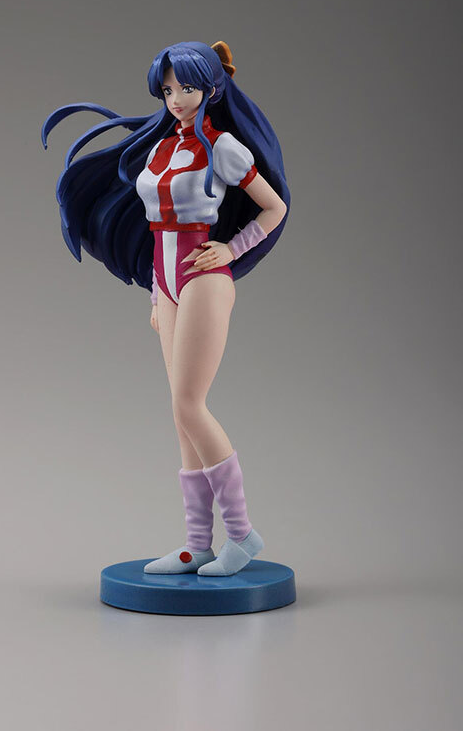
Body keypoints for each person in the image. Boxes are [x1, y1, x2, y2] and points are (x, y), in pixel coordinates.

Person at [41, 40, 290, 576]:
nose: (176, 99)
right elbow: (156, 230)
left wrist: (232, 249)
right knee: (180, 415)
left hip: (203, 278)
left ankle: (242, 534)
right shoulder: (159, 148)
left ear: (212, 89)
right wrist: (157, 292)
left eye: (188, 88)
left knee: (189, 404)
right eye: (169, 89)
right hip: (167, 282)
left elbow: (274, 208)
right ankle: (197, 543)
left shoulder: (223, 148)